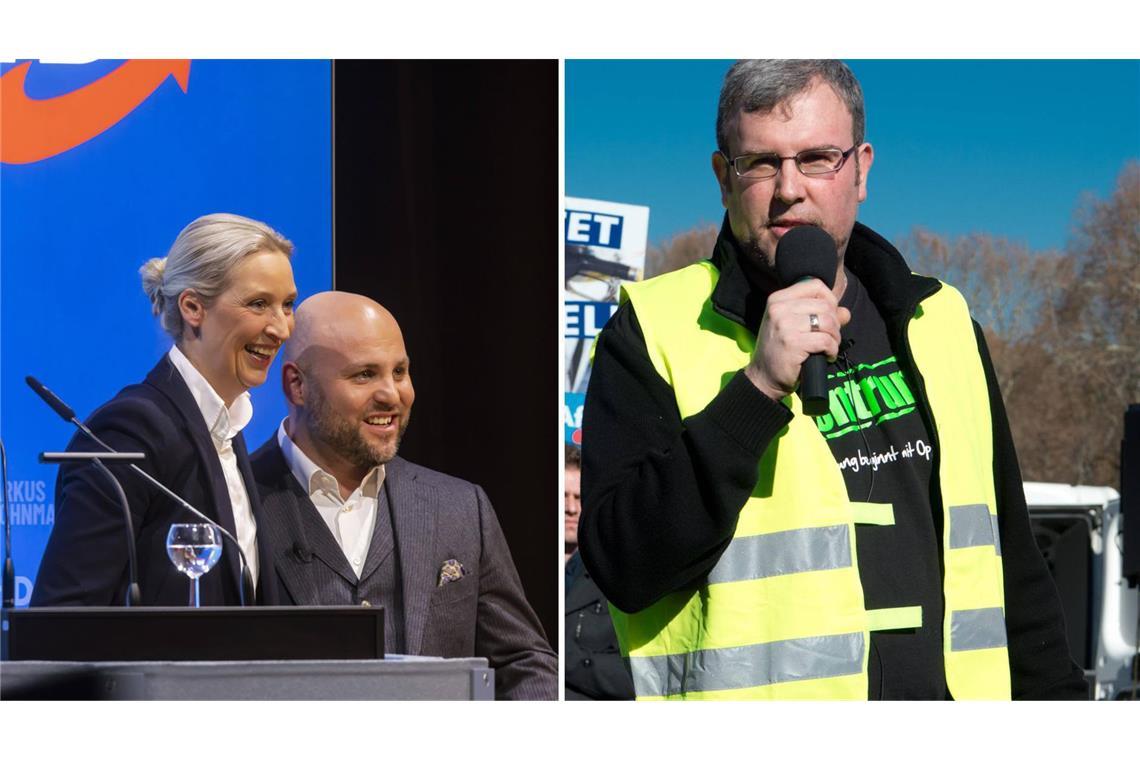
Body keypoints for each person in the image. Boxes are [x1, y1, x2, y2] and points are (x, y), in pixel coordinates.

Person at [578, 60, 1087, 700]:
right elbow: (622, 564)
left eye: (818, 158)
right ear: (722, 178)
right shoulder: (652, 328)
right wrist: (757, 390)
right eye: (760, 163)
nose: (790, 188)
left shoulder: (944, 321)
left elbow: (1013, 555)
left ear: (862, 169)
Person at [249, 291, 557, 700]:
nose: (392, 395)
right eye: (364, 375)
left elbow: (524, 664)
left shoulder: (461, 507)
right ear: (297, 385)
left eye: (400, 372)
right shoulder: (237, 500)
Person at [32, 213, 297, 606]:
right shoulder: (130, 429)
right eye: (259, 304)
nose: (282, 328)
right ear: (193, 307)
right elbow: (64, 615)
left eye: (287, 305)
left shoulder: (225, 429)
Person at [564, 444, 634, 700]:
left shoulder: (616, 572)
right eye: (563, 496)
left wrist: (566, 659)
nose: (570, 508)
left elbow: (631, 675)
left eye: (578, 497)